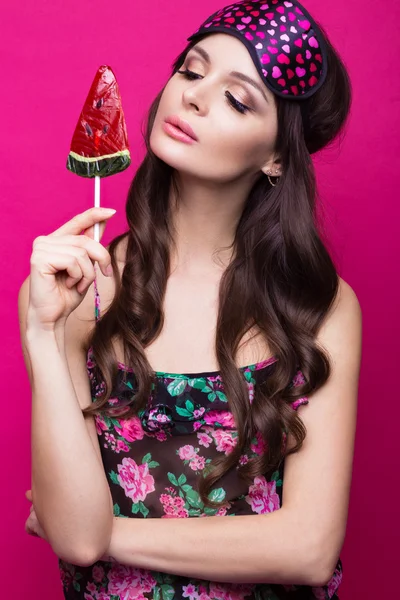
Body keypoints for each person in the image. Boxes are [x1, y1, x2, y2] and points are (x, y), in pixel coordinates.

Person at [18, 1, 362, 598]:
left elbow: (308, 550)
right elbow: (73, 543)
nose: (194, 97)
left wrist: (108, 533)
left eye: (237, 99)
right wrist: (42, 333)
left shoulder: (318, 306)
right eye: (192, 71)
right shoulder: (78, 290)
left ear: (278, 155)